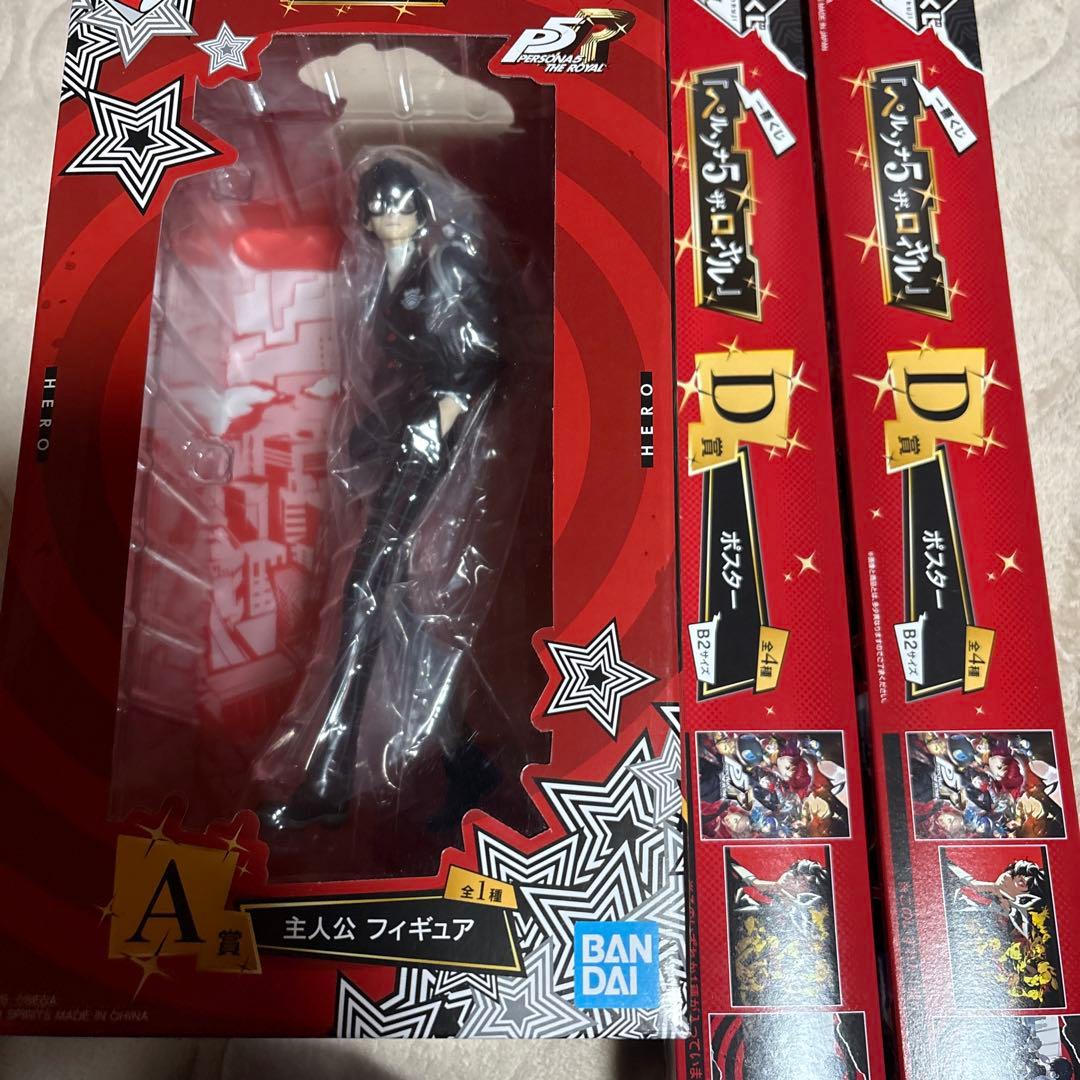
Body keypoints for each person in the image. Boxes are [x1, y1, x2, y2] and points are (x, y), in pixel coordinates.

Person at [258, 156, 501, 832]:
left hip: (433, 444)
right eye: (377, 207)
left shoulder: (446, 267)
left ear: (421, 210)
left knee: (367, 590)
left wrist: (441, 423)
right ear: (365, 217)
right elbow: (395, 372)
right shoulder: (385, 278)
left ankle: (331, 776)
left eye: (400, 205)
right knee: (394, 606)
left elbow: (481, 356)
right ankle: (461, 760)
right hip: (401, 442)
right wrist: (366, 435)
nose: (389, 218)